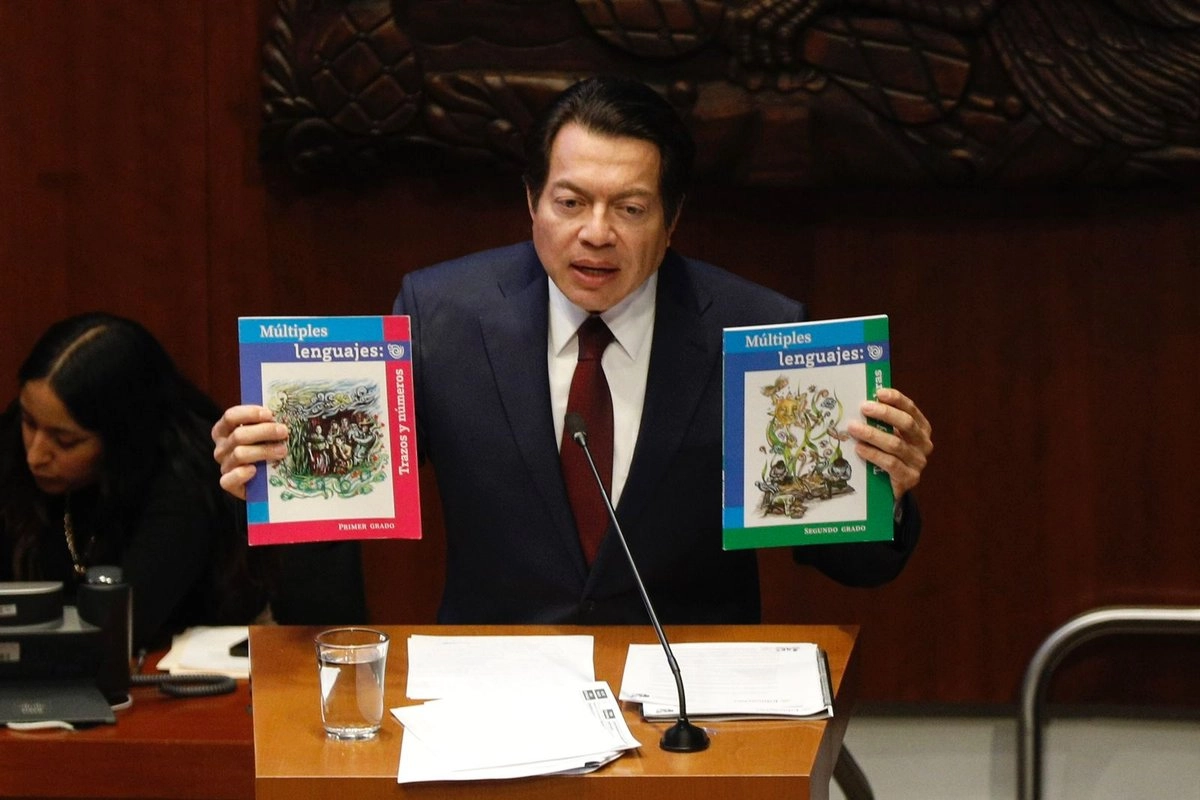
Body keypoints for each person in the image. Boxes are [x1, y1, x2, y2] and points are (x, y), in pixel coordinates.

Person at [213, 76, 933, 625]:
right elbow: (343, 512)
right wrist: (276, 479)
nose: (596, 233)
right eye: (570, 202)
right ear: (532, 201)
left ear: (673, 219)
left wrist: (885, 491)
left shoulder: (758, 330)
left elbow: (848, 560)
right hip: (494, 691)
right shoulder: (442, 316)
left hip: (687, 702)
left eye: (630, 208)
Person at [0, 312, 269, 650]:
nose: (35, 454)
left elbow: (122, 626)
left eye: (65, 441)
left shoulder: (185, 479)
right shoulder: (15, 446)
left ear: (122, 438)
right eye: (28, 422)